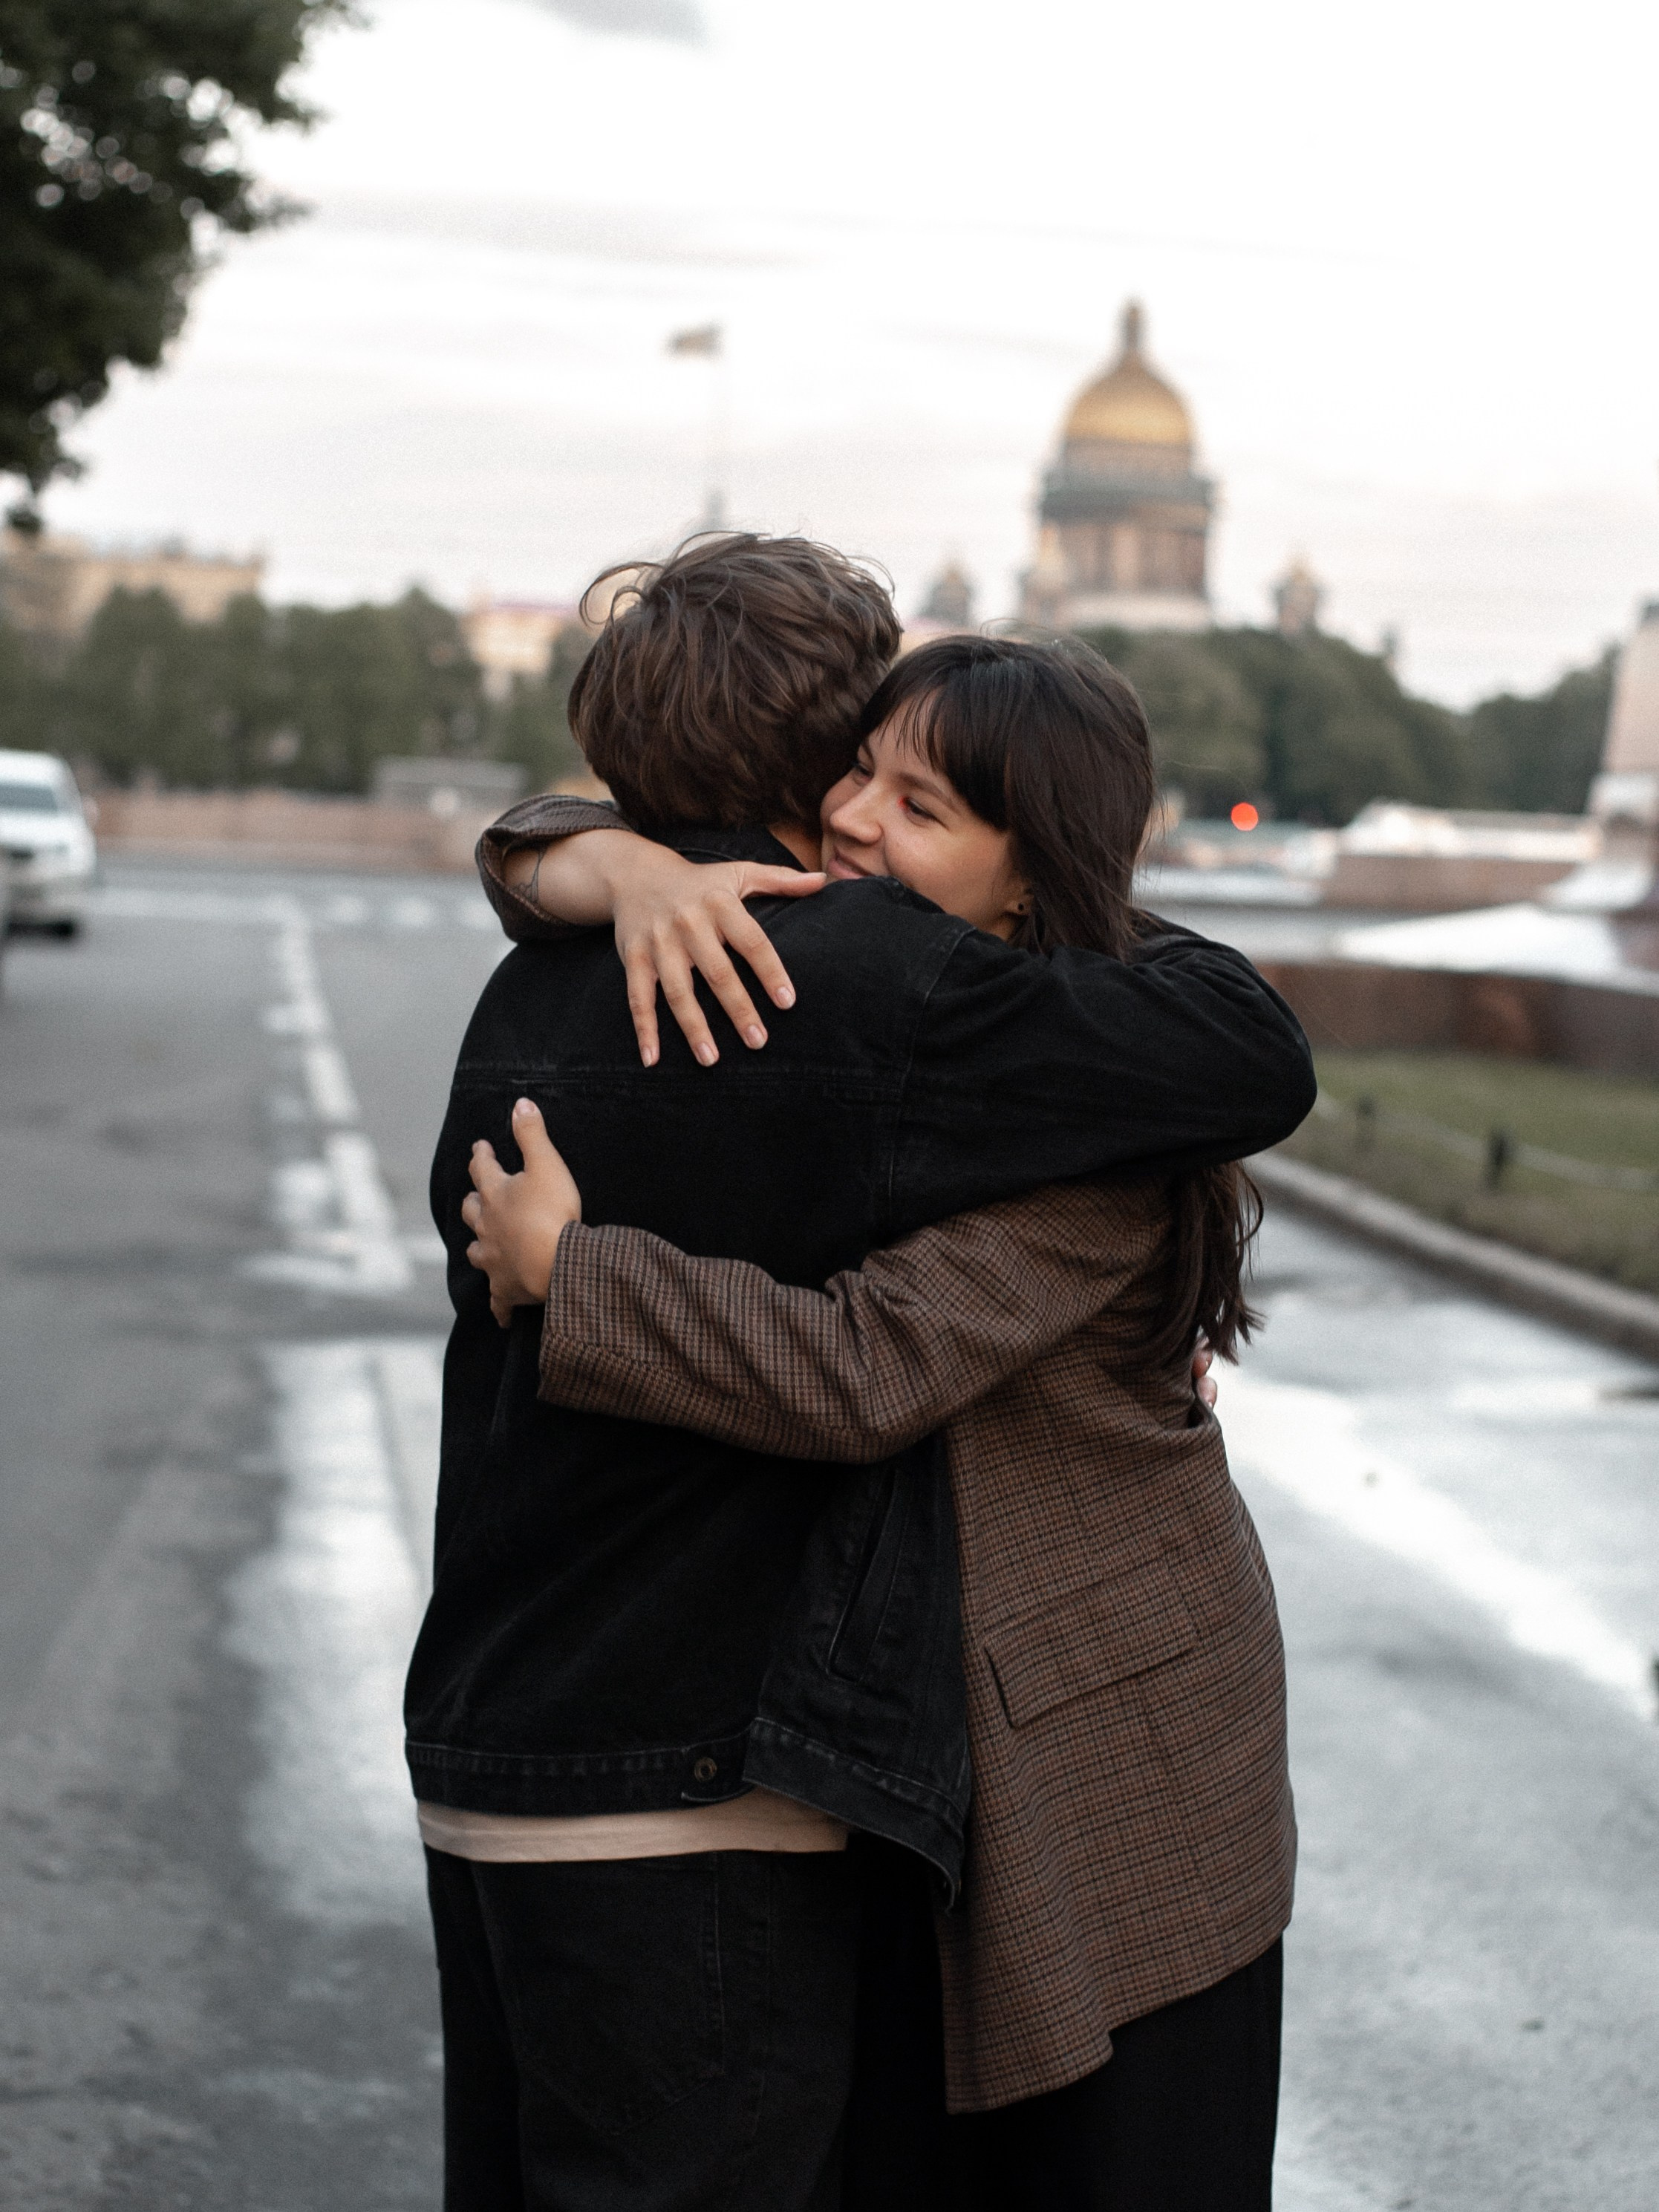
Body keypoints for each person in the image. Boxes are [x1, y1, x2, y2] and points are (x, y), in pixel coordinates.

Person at [412, 535, 1314, 2211]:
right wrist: (598, 854)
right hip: (777, 1780)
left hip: (1032, 1770)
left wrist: (582, 862)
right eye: (866, 772)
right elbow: (1237, 1047)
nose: (859, 822)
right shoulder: (902, 994)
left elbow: (861, 1361)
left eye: (919, 797)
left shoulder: (538, 984)